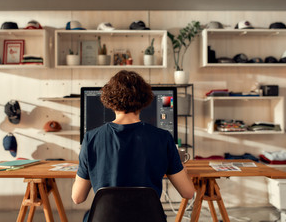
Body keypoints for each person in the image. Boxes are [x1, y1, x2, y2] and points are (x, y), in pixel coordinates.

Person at [72, 70, 195, 221]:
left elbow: (77, 197)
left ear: (109, 100)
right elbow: (188, 193)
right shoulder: (163, 138)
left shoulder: (91, 138)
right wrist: (183, 170)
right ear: (144, 100)